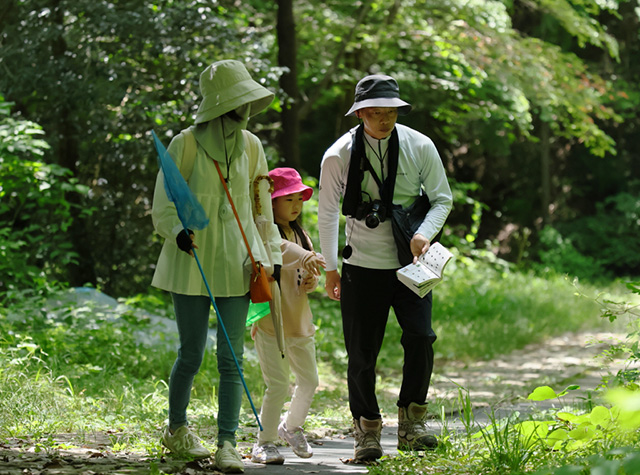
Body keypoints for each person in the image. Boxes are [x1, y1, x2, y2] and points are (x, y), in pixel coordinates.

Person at [151, 60, 282, 474]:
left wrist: (271, 254)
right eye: (236, 102)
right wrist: (176, 231)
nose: (241, 111)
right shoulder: (185, 143)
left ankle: (227, 443)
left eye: (245, 102)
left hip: (238, 260)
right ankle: (177, 430)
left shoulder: (253, 145)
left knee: (232, 359)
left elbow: (263, 209)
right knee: (190, 354)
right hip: (190, 260)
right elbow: (164, 201)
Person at [318, 74, 453, 461]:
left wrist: (424, 234)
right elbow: (327, 213)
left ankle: (412, 422)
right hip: (360, 265)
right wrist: (330, 268)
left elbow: (442, 199)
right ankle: (367, 431)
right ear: (359, 113)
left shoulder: (418, 144)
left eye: (390, 112)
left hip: (412, 263)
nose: (383, 121)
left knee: (421, 338)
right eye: (375, 113)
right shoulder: (339, 154)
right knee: (361, 353)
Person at [250, 167, 326, 465]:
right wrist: (305, 256)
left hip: (300, 322)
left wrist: (312, 280)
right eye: (287, 199)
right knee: (278, 384)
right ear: (271, 202)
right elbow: (278, 249)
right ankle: (264, 442)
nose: (295, 205)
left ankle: (290, 427)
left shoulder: (301, 234)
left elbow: (306, 269)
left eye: (299, 199)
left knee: (309, 380)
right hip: (272, 322)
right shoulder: (265, 232)